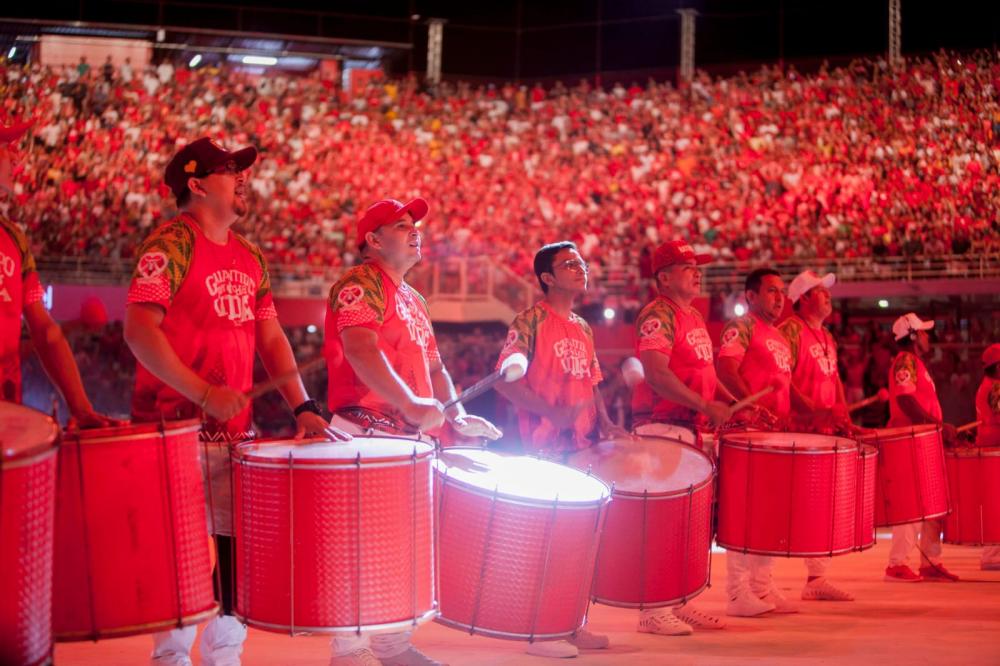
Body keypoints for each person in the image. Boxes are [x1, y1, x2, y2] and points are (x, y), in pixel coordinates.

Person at [124, 136, 345, 666]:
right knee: (177, 551)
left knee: (233, 551)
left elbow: (271, 339)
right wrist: (201, 391)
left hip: (234, 434)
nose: (242, 177)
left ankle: (225, 653)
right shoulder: (170, 245)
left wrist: (303, 407)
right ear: (196, 185)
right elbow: (138, 331)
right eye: (228, 171)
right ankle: (172, 656)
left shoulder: (249, 255)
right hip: (170, 431)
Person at [325, 197, 501, 666]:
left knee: (399, 547)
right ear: (373, 241)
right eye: (401, 226)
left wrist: (457, 415)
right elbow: (361, 351)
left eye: (415, 225)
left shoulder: (415, 298)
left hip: (406, 440)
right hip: (365, 434)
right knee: (360, 545)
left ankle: (391, 641)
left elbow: (436, 369)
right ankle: (350, 649)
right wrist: (411, 403)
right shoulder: (360, 283)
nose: (414, 231)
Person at [494, 240, 620, 658]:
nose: (580, 268)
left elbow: (593, 381)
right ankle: (537, 629)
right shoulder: (528, 321)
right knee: (545, 542)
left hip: (581, 448)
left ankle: (571, 621)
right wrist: (551, 412)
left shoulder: (583, 327)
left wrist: (605, 423)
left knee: (578, 542)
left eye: (581, 262)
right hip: (544, 448)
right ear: (547, 278)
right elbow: (505, 380)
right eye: (569, 264)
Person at [631, 240, 732, 634]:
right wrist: (707, 407)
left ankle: (677, 600)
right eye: (686, 266)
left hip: (687, 428)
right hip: (662, 427)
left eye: (696, 265)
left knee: (687, 524)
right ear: (664, 277)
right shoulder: (658, 314)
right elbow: (657, 374)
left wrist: (733, 402)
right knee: (663, 522)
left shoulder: (692, 317)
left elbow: (707, 375)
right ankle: (652, 610)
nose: (697, 272)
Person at [0, 119, 115, 426]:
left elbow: (45, 331)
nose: (15, 157)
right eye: (5, 147)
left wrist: (81, 409)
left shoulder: (13, 239)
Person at [716, 268, 798, 617]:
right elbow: (726, 369)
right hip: (747, 433)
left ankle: (761, 587)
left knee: (768, 512)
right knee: (743, 510)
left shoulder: (779, 336)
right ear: (750, 296)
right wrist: (754, 406)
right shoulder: (742, 327)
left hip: (774, 435)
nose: (779, 298)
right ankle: (736, 592)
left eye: (782, 292)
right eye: (771, 291)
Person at [779, 270, 855, 602]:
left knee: (820, 505)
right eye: (821, 292)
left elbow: (834, 379)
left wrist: (843, 414)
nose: (828, 296)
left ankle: (817, 577)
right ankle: (758, 581)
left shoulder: (826, 336)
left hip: (823, 431)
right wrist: (812, 408)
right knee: (794, 506)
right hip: (798, 429)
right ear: (804, 298)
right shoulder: (790, 331)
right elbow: (783, 378)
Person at [883, 312, 959, 583]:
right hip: (911, 440)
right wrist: (936, 425)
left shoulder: (915, 363)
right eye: (924, 332)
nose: (928, 337)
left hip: (922, 440)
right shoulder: (906, 360)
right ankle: (897, 564)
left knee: (931, 503)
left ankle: (931, 560)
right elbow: (905, 401)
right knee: (912, 504)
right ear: (913, 336)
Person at [975, 343, 1000, 570]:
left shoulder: (988, 385)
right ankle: (992, 555)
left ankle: (993, 553)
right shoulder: (996, 388)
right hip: (995, 449)